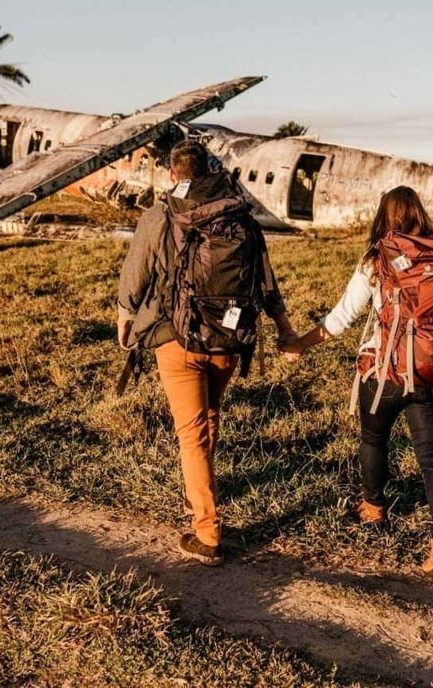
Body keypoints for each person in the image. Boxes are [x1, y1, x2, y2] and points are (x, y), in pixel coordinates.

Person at [281, 186, 433, 578]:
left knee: (374, 440)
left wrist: (299, 345)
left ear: (383, 218)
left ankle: (373, 508)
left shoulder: (374, 260)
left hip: (385, 372)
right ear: (420, 214)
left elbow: (340, 318)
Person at [117, 139, 297, 566]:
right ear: (211, 169)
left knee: (191, 435)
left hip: (176, 339)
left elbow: (137, 272)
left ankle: (207, 531)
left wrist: (125, 317)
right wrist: (285, 329)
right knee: (208, 420)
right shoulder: (239, 215)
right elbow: (266, 281)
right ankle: (200, 496)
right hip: (227, 339)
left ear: (171, 174)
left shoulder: (161, 214)